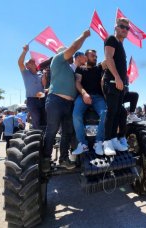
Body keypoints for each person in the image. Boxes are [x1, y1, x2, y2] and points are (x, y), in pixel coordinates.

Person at [42, 29, 91, 171]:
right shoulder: (57, 60)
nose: (70, 56)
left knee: (67, 132)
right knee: (52, 129)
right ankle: (46, 158)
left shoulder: (70, 69)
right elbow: (74, 48)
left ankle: (63, 159)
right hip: (56, 100)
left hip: (68, 104)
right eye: (67, 53)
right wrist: (84, 36)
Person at [102, 17, 131, 155]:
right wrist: (118, 78)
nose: (125, 29)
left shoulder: (121, 45)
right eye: (122, 26)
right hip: (113, 82)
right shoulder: (111, 39)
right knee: (111, 111)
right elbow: (108, 58)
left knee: (118, 112)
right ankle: (107, 141)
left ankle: (113, 139)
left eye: (127, 28)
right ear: (116, 27)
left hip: (120, 84)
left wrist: (124, 82)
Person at [72, 49, 106, 155]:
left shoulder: (99, 67)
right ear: (86, 57)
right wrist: (84, 94)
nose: (95, 58)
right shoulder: (80, 69)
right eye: (92, 56)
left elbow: (109, 58)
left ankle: (98, 142)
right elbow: (77, 82)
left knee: (106, 113)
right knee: (76, 115)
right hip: (83, 96)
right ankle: (83, 144)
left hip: (98, 97)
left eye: (96, 56)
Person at [18, 44, 46, 129]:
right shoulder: (25, 73)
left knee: (45, 119)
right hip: (32, 99)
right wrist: (24, 51)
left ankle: (44, 137)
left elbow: (44, 86)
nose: (33, 62)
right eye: (30, 62)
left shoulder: (41, 73)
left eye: (33, 61)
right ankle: (36, 137)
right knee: (36, 119)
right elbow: (20, 63)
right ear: (27, 66)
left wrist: (44, 75)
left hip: (42, 98)